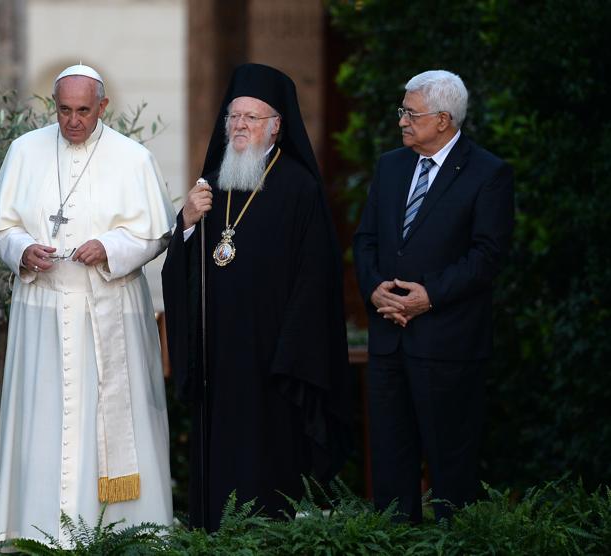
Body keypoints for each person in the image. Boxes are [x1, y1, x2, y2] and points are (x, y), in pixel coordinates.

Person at [0, 64, 175, 545]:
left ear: (103, 107)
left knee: (109, 424)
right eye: (64, 110)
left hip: (110, 310)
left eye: (84, 111)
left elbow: (157, 233)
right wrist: (21, 249)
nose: (73, 121)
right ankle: (39, 534)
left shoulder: (133, 158)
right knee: (44, 423)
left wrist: (109, 247)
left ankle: (125, 534)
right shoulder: (24, 150)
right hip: (41, 311)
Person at [161, 63, 352, 530]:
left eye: (251, 117)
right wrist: (186, 223)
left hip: (274, 363)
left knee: (267, 471)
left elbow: (316, 279)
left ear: (276, 126)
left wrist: (290, 353)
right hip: (218, 360)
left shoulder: (299, 187)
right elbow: (183, 270)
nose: (239, 126)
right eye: (234, 117)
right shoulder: (210, 185)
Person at [353, 70, 514, 522]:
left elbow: (487, 257)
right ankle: (393, 544)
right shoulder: (390, 166)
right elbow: (365, 240)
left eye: (411, 113)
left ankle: (452, 546)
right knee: (389, 465)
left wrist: (429, 296)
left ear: (443, 120)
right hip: (389, 341)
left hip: (449, 345)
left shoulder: (488, 173)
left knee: (451, 471)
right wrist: (374, 288)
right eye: (402, 111)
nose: (401, 121)